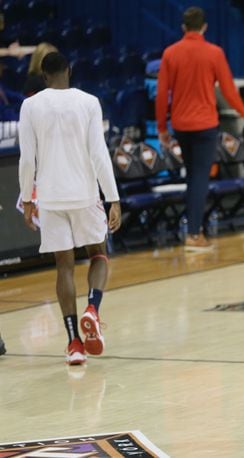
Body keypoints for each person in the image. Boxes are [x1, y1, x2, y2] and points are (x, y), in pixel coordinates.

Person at [17, 51, 121, 366]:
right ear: (69, 71)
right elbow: (99, 154)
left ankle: (74, 342)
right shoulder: (88, 102)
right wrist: (113, 197)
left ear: (44, 76)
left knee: (64, 267)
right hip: (85, 194)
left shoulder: (30, 106)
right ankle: (93, 307)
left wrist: (27, 199)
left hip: (50, 197)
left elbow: (27, 159)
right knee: (99, 254)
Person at [156, 6, 244, 251]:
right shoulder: (215, 53)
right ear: (204, 27)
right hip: (205, 125)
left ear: (183, 28)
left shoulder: (170, 53)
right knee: (199, 179)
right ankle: (193, 234)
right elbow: (228, 89)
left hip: (180, 124)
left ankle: (193, 229)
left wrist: (162, 128)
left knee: (193, 177)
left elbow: (161, 95)